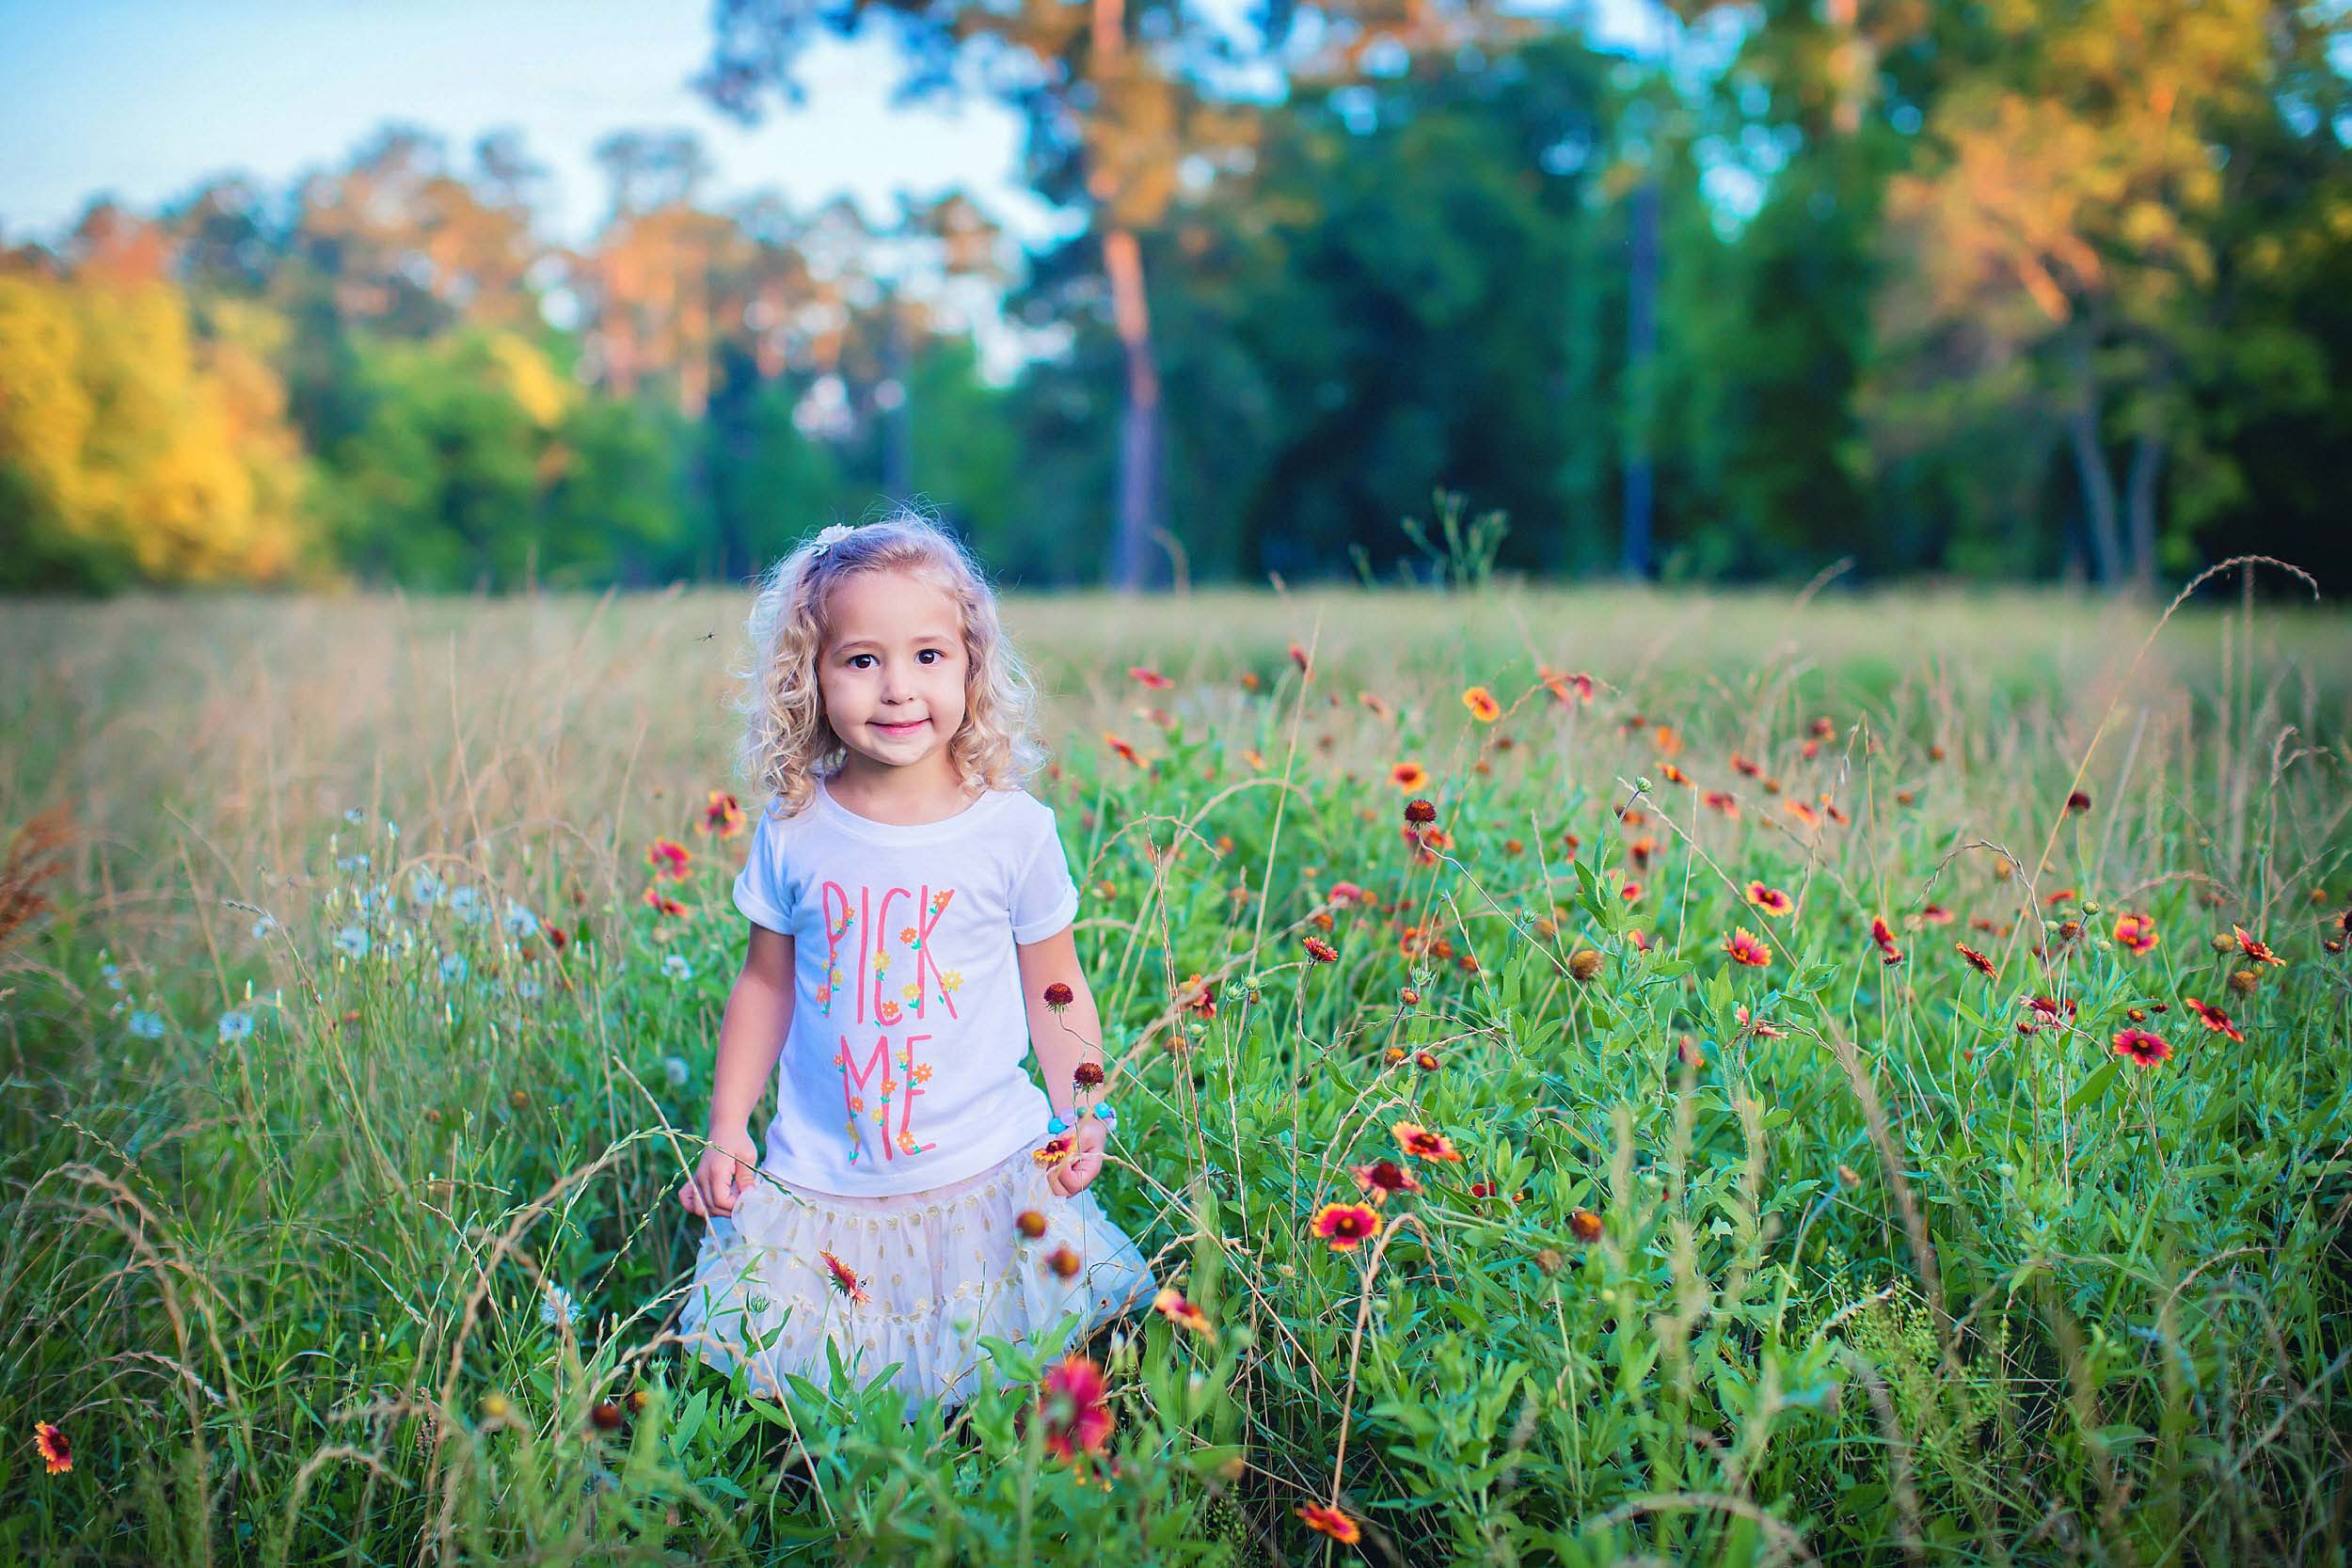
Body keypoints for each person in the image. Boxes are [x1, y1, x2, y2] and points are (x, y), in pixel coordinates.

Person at [674, 510, 1156, 1424]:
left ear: (973, 665)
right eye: (861, 659)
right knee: (834, 1410)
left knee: (1003, 1390)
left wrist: (1084, 1108)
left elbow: (1055, 985)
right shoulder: (796, 827)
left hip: (989, 1165)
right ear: (809, 677)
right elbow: (766, 983)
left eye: (929, 655)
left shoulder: (1012, 830)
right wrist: (728, 1121)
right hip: (828, 1178)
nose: (898, 688)